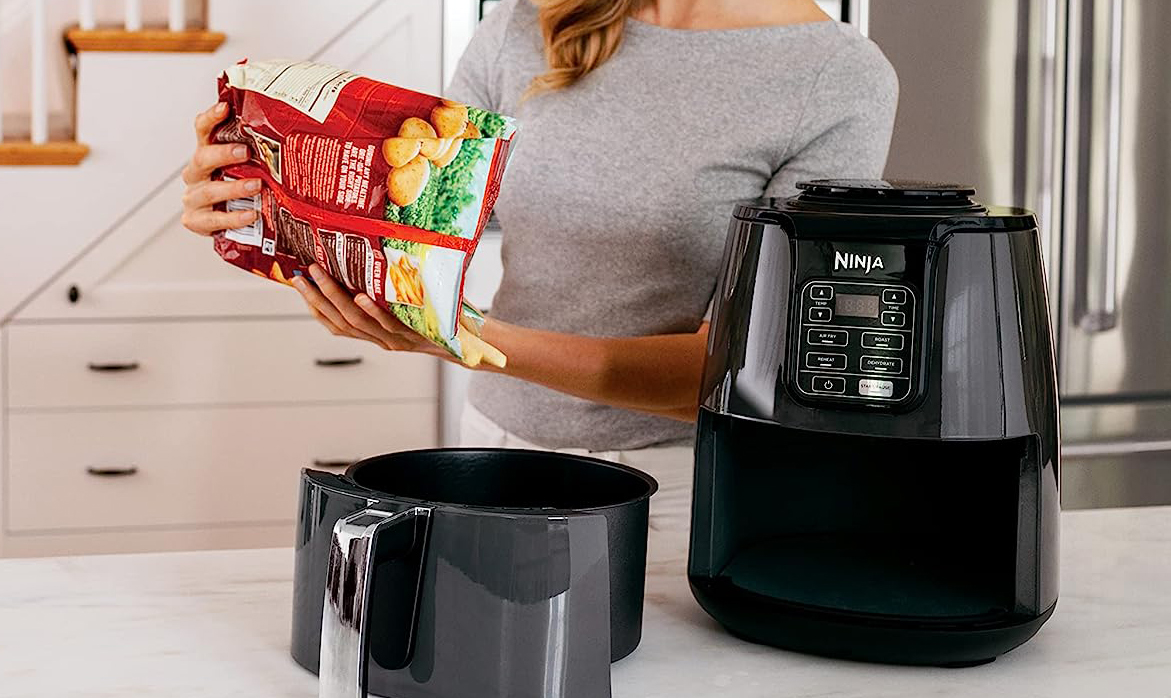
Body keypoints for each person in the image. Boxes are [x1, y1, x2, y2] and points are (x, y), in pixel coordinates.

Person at [180, 0, 897, 526]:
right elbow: (413, 219)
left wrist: (477, 343)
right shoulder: (527, 27)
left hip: (678, 485)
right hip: (494, 446)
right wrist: (254, 197)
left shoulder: (836, 77)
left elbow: (745, 371)